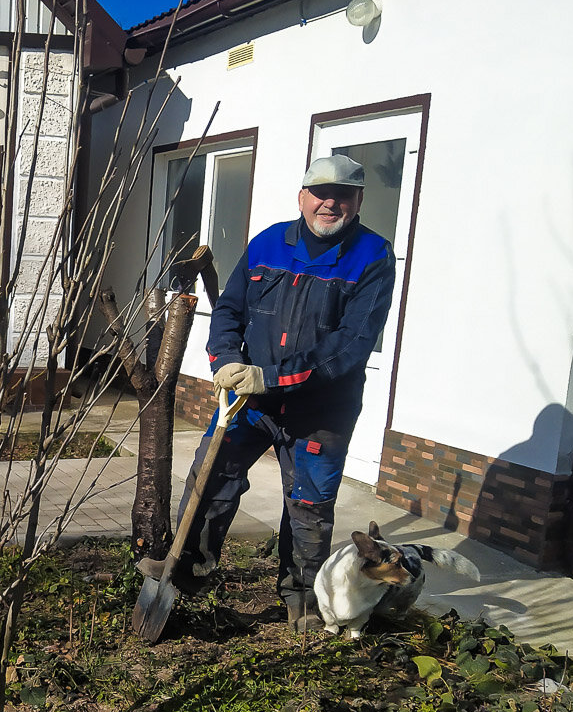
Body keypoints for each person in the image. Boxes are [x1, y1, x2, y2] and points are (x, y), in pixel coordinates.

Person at [139, 154, 396, 632]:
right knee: (210, 481)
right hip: (247, 401)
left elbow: (350, 347)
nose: (329, 203)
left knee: (308, 505)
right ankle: (184, 577)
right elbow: (230, 309)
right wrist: (225, 360)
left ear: (358, 202)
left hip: (322, 408)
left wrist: (272, 377)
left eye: (342, 195)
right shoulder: (267, 242)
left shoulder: (373, 257)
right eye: (320, 193)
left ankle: (300, 601)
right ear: (302, 197)